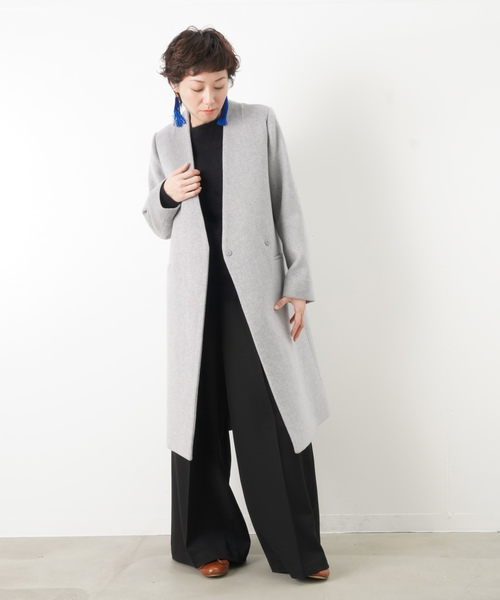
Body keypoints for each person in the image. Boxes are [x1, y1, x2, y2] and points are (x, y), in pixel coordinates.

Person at [142, 26, 331, 581]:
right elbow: (157, 224)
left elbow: (287, 203)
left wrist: (298, 282)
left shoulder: (260, 123)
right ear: (175, 86)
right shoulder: (164, 142)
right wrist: (166, 194)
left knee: (269, 416)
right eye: (197, 87)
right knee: (198, 421)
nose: (209, 98)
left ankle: (297, 551)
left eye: (220, 85)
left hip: (258, 299)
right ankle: (209, 543)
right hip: (194, 302)